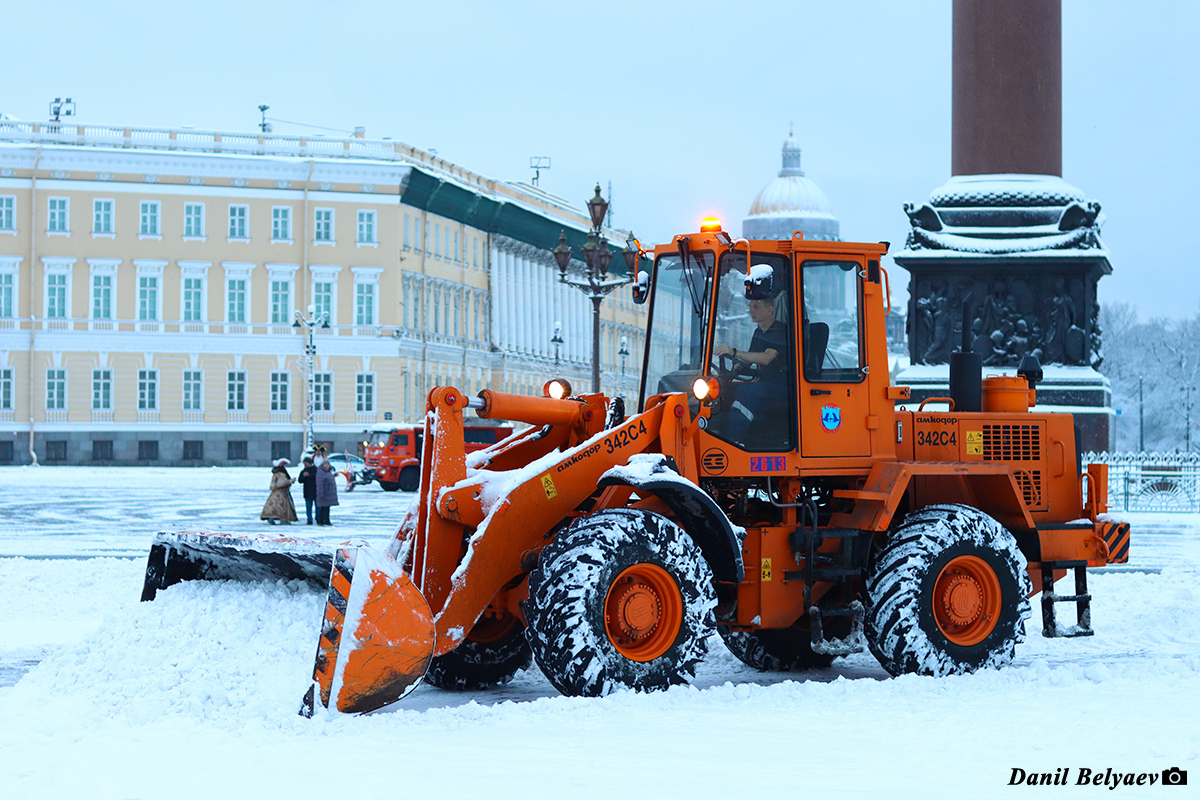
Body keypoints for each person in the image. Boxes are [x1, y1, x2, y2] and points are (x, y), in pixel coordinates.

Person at [713, 294, 790, 445]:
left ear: (769, 310)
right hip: (768, 383)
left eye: (756, 306)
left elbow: (766, 358)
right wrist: (735, 367)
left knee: (746, 392)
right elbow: (748, 359)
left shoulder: (780, 330)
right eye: (749, 306)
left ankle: (735, 441)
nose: (750, 310)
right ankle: (719, 435)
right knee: (726, 390)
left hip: (785, 384)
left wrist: (734, 352)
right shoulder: (758, 332)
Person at [260, 458, 298, 524]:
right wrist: (291, 481)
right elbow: (281, 483)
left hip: (276, 492)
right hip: (281, 491)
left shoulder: (276, 473)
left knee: (274, 506)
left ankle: (271, 518)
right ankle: (283, 519)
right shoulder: (280, 473)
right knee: (281, 506)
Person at [315, 455, 339, 526]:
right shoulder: (321, 472)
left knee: (327, 508)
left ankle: (326, 520)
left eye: (328, 464)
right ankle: (322, 520)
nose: (326, 465)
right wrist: (320, 494)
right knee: (323, 507)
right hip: (324, 493)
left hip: (328, 494)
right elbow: (320, 484)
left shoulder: (328, 472)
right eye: (325, 464)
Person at [297, 457, 318, 525]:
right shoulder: (303, 471)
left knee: (318, 506)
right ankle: (309, 519)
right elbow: (300, 480)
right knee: (308, 507)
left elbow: (317, 478)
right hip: (307, 492)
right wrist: (303, 476)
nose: (305, 464)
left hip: (316, 491)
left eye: (306, 463)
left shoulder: (316, 470)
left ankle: (317, 518)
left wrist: (310, 475)